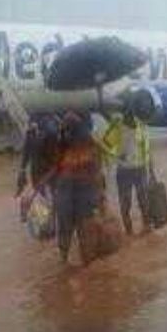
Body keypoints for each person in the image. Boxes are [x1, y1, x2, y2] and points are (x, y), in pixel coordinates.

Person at [52, 112, 102, 263]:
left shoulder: (67, 141)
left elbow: (95, 169)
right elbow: (96, 170)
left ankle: (67, 261)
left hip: (74, 191)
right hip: (76, 191)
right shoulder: (86, 142)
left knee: (71, 228)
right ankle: (82, 262)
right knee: (81, 229)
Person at [101, 109, 152, 235]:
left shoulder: (141, 126)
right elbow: (104, 144)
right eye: (128, 114)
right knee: (125, 202)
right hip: (124, 171)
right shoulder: (117, 127)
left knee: (144, 200)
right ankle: (129, 231)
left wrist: (151, 168)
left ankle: (146, 226)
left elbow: (147, 148)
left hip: (140, 169)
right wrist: (116, 156)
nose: (130, 117)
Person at [16, 116, 60, 196]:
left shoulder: (51, 134)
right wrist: (22, 169)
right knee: (39, 193)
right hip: (36, 169)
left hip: (48, 169)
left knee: (53, 193)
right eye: (30, 124)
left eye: (32, 123)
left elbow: (55, 156)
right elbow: (26, 151)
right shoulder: (30, 133)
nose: (31, 125)